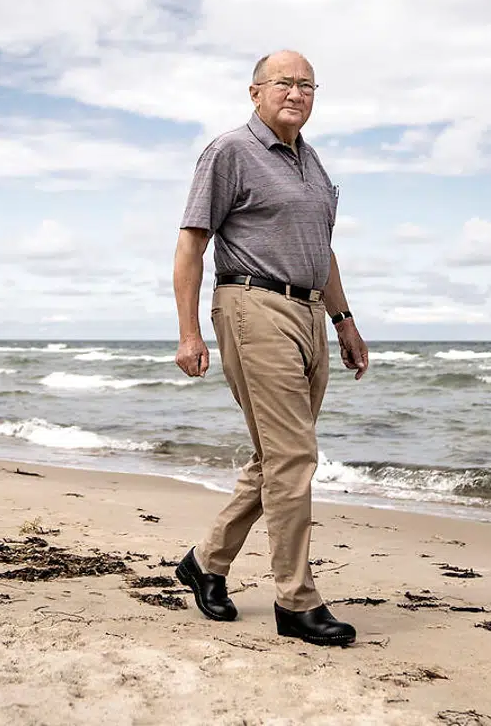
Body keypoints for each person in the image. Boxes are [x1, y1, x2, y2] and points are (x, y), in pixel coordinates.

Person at [171, 49, 370, 647]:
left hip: (310, 312)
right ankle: (296, 600)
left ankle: (206, 563)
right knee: (293, 458)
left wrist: (344, 320)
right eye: (284, 82)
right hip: (253, 306)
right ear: (254, 92)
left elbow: (324, 250)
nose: (296, 92)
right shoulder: (230, 151)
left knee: (277, 458)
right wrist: (188, 332)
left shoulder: (312, 164)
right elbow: (190, 245)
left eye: (307, 84)